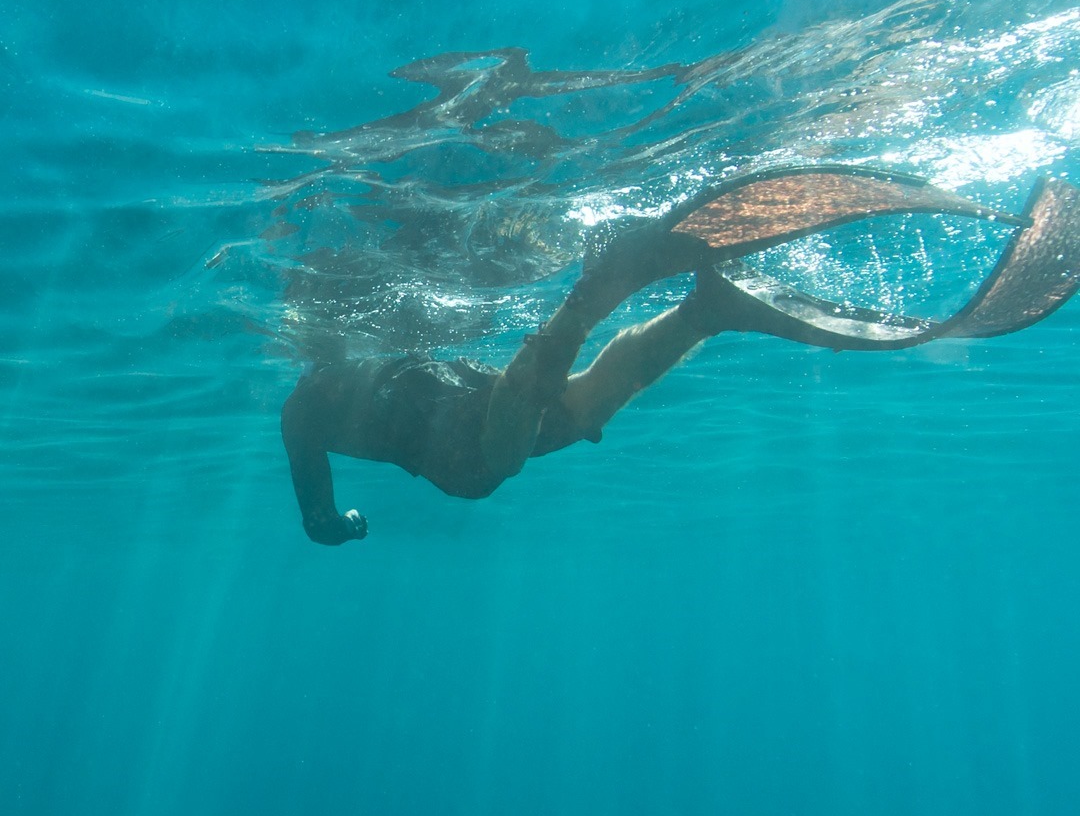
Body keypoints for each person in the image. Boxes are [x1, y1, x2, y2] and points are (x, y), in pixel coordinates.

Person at [281, 169, 1080, 546]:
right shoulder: (321, 396)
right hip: (469, 430)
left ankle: (646, 304)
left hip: (473, 424)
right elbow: (320, 520)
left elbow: (320, 520)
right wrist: (345, 525)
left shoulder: (312, 397)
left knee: (552, 421)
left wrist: (347, 525)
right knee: (553, 417)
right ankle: (671, 302)